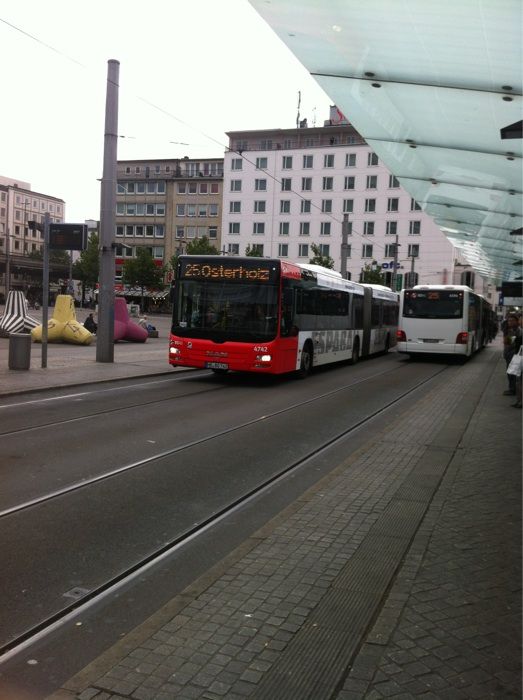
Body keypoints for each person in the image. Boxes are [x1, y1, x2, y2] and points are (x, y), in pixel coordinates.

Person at [502, 314, 521, 397]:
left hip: (515, 356)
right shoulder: (510, 330)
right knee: (510, 373)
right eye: (509, 321)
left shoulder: (519, 331)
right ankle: (511, 389)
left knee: (513, 374)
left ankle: (513, 390)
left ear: (517, 321)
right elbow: (507, 343)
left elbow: (515, 344)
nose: (510, 322)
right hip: (509, 355)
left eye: (512, 321)